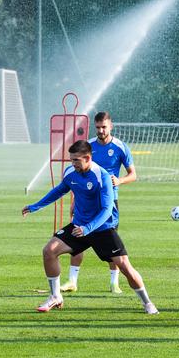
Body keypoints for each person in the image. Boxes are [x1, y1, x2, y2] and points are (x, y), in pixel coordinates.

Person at [23, 140, 158, 314]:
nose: (73, 164)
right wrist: (36, 206)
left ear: (87, 158)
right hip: (79, 226)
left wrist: (88, 228)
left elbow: (107, 209)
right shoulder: (71, 173)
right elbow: (59, 190)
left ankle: (147, 303)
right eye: (71, 160)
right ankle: (55, 296)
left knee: (124, 266)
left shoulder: (102, 176)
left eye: (76, 160)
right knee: (49, 251)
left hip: (102, 228)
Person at [60, 111, 136, 294]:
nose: (101, 131)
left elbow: (133, 175)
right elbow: (77, 177)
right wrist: (74, 200)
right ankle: (72, 281)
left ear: (111, 126)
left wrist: (119, 181)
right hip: (85, 200)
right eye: (98, 127)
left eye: (104, 127)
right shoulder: (89, 147)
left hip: (108, 203)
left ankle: (114, 283)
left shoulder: (120, 147)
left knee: (111, 244)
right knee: (77, 237)